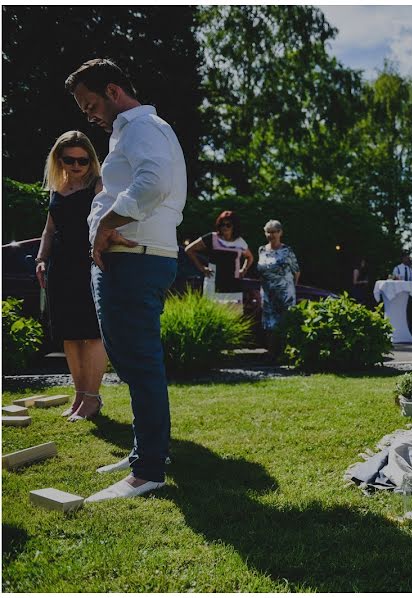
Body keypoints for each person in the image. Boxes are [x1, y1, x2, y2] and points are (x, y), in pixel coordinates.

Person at [67, 58, 186, 501]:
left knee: (140, 363)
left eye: (91, 103)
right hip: (129, 260)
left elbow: (153, 184)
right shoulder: (130, 131)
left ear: (114, 91)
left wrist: (104, 224)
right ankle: (146, 452)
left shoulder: (142, 127)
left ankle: (149, 469)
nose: (89, 114)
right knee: (134, 363)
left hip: (135, 260)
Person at [35, 130, 108, 422]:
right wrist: (41, 259)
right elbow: (49, 230)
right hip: (60, 267)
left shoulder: (99, 186)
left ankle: (92, 397)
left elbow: (107, 223)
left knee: (91, 334)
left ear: (92, 161)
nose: (77, 166)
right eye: (70, 160)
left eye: (83, 160)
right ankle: (79, 396)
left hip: (89, 264)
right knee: (69, 334)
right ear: (59, 159)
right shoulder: (56, 188)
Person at [185, 210, 253, 304]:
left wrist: (244, 270)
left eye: (228, 225)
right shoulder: (211, 238)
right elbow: (189, 250)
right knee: (213, 316)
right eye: (222, 224)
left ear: (234, 226)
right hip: (213, 285)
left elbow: (250, 257)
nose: (225, 227)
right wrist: (202, 268)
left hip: (233, 286)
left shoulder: (240, 242)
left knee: (234, 316)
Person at [256, 219, 300, 356]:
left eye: (274, 232)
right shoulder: (261, 250)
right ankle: (271, 354)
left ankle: (285, 354)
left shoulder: (287, 250)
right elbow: (261, 271)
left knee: (285, 323)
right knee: (269, 325)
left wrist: (291, 287)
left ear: (280, 232)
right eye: (268, 232)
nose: (271, 235)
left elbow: (296, 271)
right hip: (268, 293)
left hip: (285, 293)